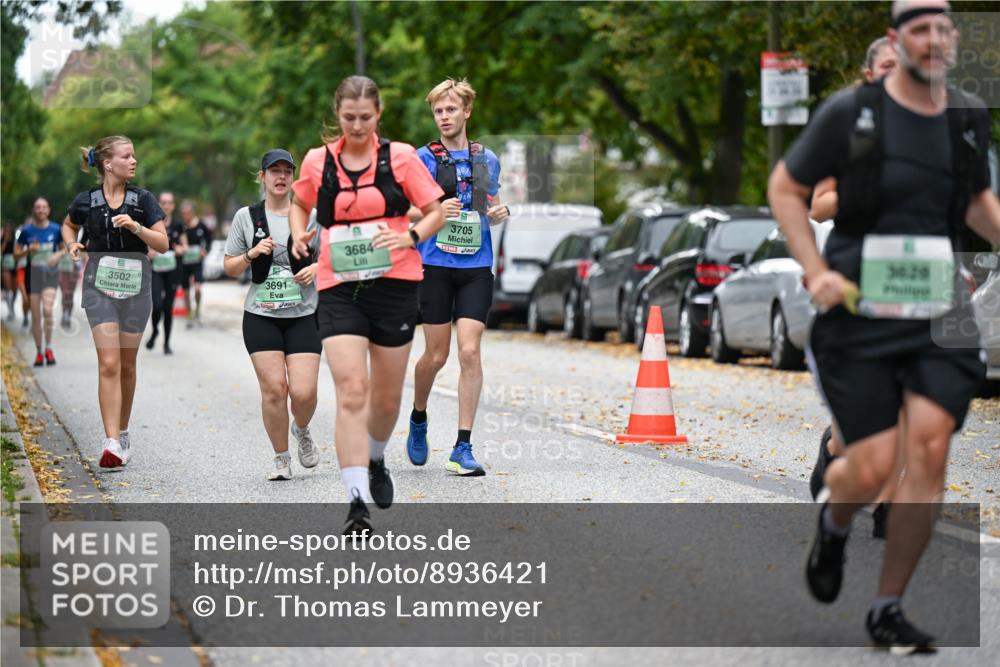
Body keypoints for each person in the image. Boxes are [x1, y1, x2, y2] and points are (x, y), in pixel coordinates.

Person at [768, 0, 1000, 653]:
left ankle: (888, 605)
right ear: (897, 40)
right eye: (917, 29)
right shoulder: (852, 113)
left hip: (935, 304)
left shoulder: (967, 117)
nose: (931, 40)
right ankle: (836, 522)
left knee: (927, 448)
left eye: (942, 29)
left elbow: (977, 200)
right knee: (869, 466)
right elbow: (787, 188)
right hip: (859, 305)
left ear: (953, 39)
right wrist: (813, 267)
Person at [289, 75, 446, 534]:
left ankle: (376, 457)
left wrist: (408, 235)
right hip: (338, 284)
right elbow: (300, 203)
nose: (357, 126)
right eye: (348, 118)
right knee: (352, 390)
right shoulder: (319, 161)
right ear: (336, 115)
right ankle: (356, 502)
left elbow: (436, 209)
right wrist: (300, 231)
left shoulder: (399, 157)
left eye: (365, 118)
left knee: (385, 397)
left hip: (395, 282)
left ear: (379, 115)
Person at [807, 36, 899, 541]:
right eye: (886, 65)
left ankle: (889, 501)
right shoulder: (845, 126)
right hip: (857, 278)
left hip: (919, 277)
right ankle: (836, 450)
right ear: (869, 74)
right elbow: (817, 205)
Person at [406, 78, 509, 477]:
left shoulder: (487, 159)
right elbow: (405, 212)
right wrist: (434, 214)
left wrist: (500, 213)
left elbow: (491, 205)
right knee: (436, 355)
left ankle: (462, 447)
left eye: (451, 109)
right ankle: (418, 416)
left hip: (475, 268)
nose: (444, 117)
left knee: (469, 352)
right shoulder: (422, 159)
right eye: (438, 111)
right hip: (434, 265)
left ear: (466, 111)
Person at [62, 135, 169, 469]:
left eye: (134, 155)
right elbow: (68, 226)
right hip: (99, 287)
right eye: (127, 156)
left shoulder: (143, 200)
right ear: (108, 164)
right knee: (108, 363)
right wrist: (72, 245)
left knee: (126, 364)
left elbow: (163, 244)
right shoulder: (87, 201)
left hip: (137, 288)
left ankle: (122, 433)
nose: (134, 161)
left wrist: (137, 227)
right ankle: (110, 442)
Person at [225, 149, 322, 481]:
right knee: (274, 390)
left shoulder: (310, 216)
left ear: (293, 177)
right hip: (261, 314)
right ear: (262, 177)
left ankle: (302, 428)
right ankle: (281, 457)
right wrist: (251, 254)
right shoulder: (247, 217)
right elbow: (228, 266)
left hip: (304, 313)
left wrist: (316, 269)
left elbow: (334, 258)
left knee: (304, 392)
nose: (281, 177)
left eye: (286, 171)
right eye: (274, 171)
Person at [14, 198, 63, 367]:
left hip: (50, 275)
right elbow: (16, 254)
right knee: (36, 315)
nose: (41, 210)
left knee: (48, 310)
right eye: (37, 207)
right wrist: (29, 250)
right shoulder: (26, 231)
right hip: (32, 275)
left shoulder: (56, 229)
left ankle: (48, 348)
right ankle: (39, 351)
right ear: (34, 210)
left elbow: (65, 248)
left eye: (43, 207)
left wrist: (57, 255)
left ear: (48, 210)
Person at [146, 192, 187, 354]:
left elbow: (185, 247)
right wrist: (148, 252)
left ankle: (166, 343)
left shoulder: (178, 225)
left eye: (169, 203)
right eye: (163, 202)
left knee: (168, 308)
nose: (166, 206)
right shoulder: (152, 224)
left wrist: (179, 249)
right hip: (156, 270)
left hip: (173, 271)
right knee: (157, 305)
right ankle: (155, 330)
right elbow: (145, 246)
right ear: (158, 204)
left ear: (173, 206)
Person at [180, 200, 210, 327]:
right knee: (186, 292)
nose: (185, 216)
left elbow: (209, 240)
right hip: (184, 262)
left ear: (193, 213)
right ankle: (189, 315)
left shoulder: (201, 225)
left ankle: (197, 311)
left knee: (198, 289)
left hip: (197, 262)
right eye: (183, 213)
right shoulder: (181, 226)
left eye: (188, 213)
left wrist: (205, 250)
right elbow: (173, 240)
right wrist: (179, 248)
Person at [57, 220, 82, 332]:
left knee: (70, 294)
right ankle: (64, 314)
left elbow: (84, 252)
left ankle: (68, 315)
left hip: (74, 269)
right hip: (62, 268)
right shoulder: (59, 236)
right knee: (65, 292)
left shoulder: (81, 234)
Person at [1, 224, 18, 321]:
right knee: (8, 289)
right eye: (6, 230)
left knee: (15, 290)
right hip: (5, 266)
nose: (7, 232)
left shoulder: (16, 240)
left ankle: (12, 305)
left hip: (15, 265)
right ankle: (10, 310)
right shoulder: (3, 240)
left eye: (9, 230)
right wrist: (5, 241)